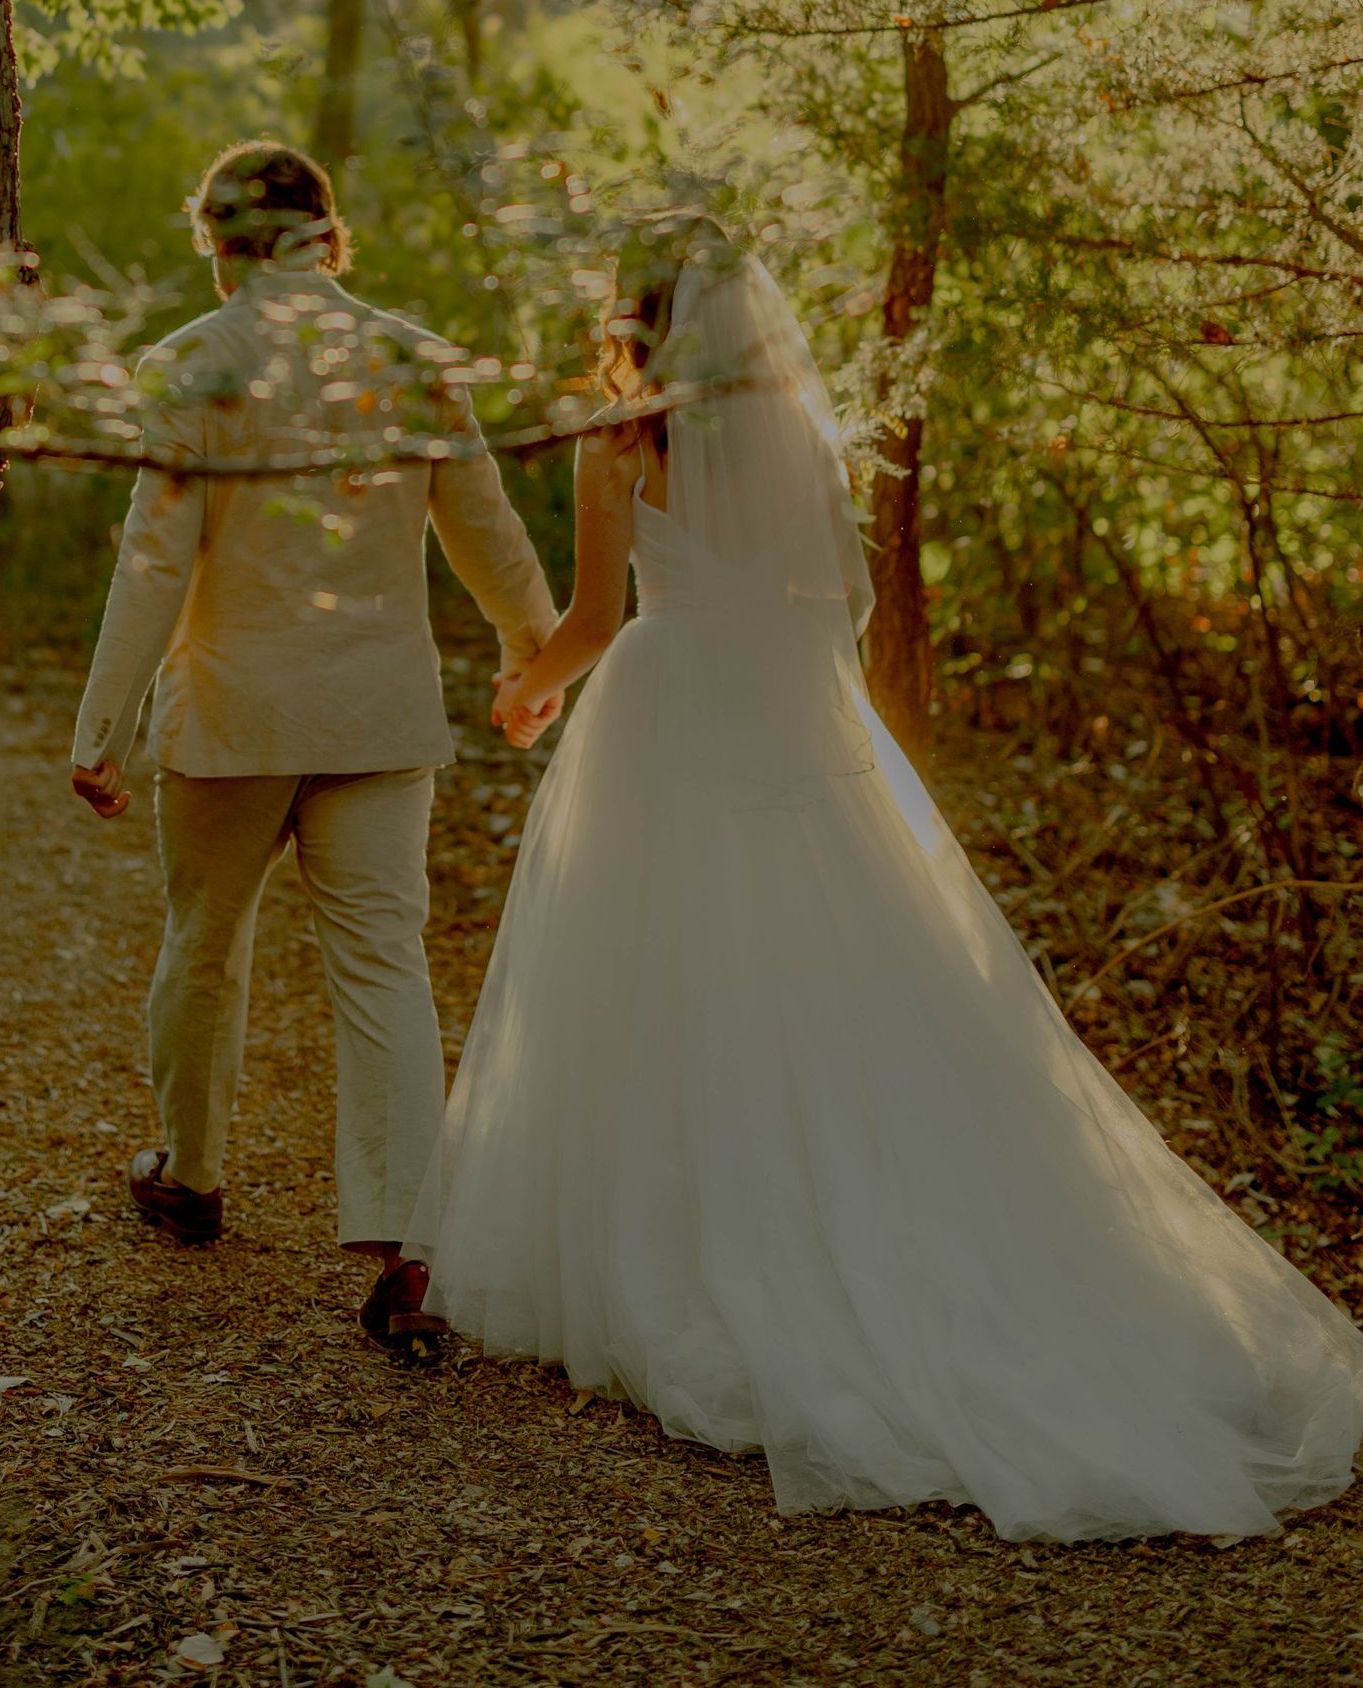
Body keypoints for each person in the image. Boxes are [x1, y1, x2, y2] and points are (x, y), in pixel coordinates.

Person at [408, 215, 1363, 1539]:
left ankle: (687, 1242)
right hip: (792, 710)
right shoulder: (799, 431)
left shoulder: (617, 437)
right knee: (831, 971)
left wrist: (527, 689)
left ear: (633, 312)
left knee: (660, 973)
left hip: (671, 707)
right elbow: (832, 600)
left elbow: (589, 621)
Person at [71, 138, 557, 1342]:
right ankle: (407, 1244)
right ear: (331, 239)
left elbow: (153, 560)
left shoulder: (193, 364)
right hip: (378, 715)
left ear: (215, 243)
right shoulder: (411, 360)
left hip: (234, 714)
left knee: (206, 937)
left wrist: (102, 729)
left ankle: (188, 1178)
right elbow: (484, 527)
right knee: (384, 961)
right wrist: (531, 655)